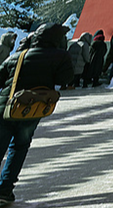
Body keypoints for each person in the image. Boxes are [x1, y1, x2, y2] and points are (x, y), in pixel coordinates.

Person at [0, 23, 73, 205]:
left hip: (5, 107)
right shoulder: (61, 56)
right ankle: (5, 190)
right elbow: (65, 79)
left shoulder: (18, 56)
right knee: (19, 147)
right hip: (32, 110)